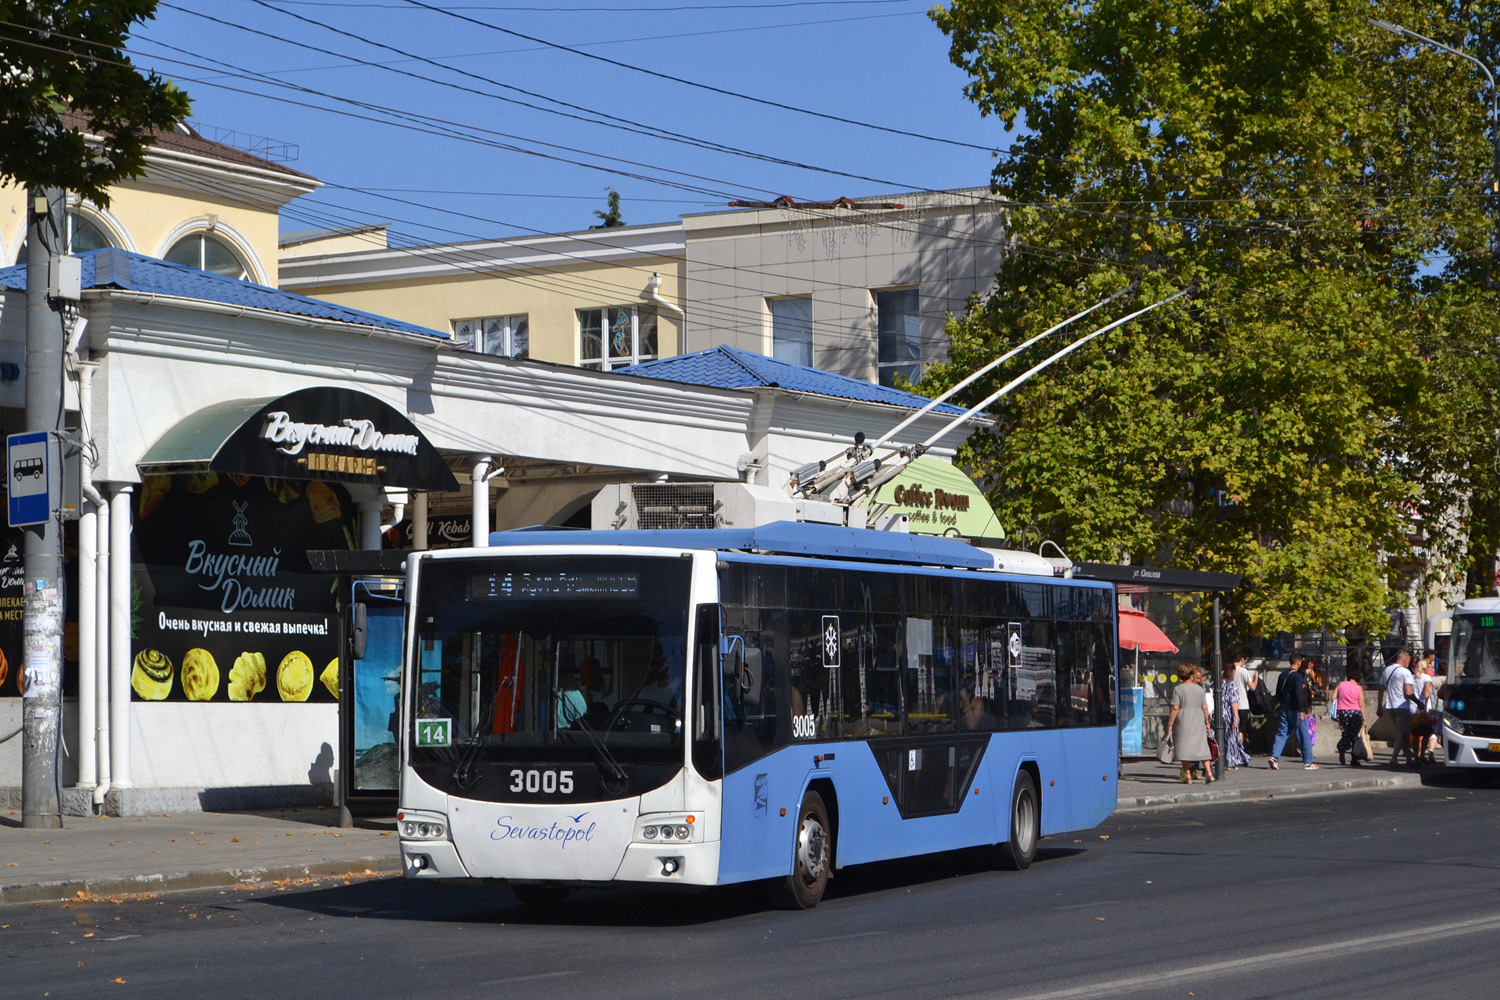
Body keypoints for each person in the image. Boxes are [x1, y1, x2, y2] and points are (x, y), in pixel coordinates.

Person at [1269, 655, 1318, 770]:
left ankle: (1274, 757)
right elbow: (1299, 694)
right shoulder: (1297, 676)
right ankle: (1308, 762)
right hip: (1295, 710)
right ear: (1299, 663)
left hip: (1283, 708)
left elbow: (1278, 693)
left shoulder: (1282, 675)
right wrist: (1302, 710)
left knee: (1282, 733)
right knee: (1303, 734)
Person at [1167, 666, 1214, 783]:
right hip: (1198, 718)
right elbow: (1205, 707)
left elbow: (1175, 708)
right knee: (1202, 746)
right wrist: (1207, 722)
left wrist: (1170, 724)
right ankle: (1209, 773)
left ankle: (1188, 775)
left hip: (1184, 719)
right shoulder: (1199, 689)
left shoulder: (1178, 689)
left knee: (1184, 747)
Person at [1380, 649, 1417, 766]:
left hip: (1390, 705)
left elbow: (1381, 689)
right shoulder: (1405, 672)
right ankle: (1394, 758)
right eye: (1409, 660)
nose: (1409, 663)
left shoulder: (1387, 670)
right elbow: (1408, 691)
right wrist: (1419, 703)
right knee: (1402, 733)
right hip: (1402, 706)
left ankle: (1409, 758)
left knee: (1404, 733)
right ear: (1405, 659)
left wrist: (1379, 706)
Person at [1220, 662, 1251, 770]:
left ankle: (1221, 761)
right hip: (1228, 713)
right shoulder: (1232, 684)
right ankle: (1229, 762)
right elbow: (1234, 702)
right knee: (1231, 739)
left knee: (1220, 738)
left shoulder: (1218, 682)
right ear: (1233, 671)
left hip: (1218, 713)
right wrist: (1236, 716)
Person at [1333, 670, 1365, 766]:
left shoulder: (1341, 685)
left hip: (1341, 712)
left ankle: (1342, 747)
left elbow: (1333, 697)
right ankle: (1353, 757)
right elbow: (1361, 703)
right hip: (1355, 712)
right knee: (1354, 735)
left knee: (1345, 732)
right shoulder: (1358, 688)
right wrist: (1364, 719)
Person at [1411, 650, 1439, 763]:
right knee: (1426, 732)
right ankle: (1422, 754)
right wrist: (1425, 704)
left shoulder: (1412, 677)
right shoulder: (1426, 678)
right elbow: (1427, 691)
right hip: (1423, 706)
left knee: (1415, 733)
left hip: (1413, 706)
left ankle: (1416, 756)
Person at [1231, 654, 1255, 749]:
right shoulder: (1243, 671)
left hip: (1230, 704)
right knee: (1241, 729)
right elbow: (1252, 687)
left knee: (1231, 728)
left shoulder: (1226, 671)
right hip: (1242, 704)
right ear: (1242, 659)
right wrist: (1256, 678)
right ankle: (1239, 748)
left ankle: (1232, 748)